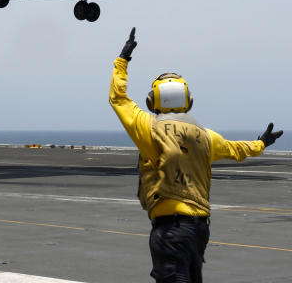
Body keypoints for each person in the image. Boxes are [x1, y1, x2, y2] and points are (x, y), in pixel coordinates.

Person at [109, 27, 283, 283]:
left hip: (171, 229)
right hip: (199, 229)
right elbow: (237, 150)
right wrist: (261, 143)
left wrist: (122, 60)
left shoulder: (149, 129)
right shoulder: (205, 136)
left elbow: (118, 98)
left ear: (152, 100)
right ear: (188, 100)